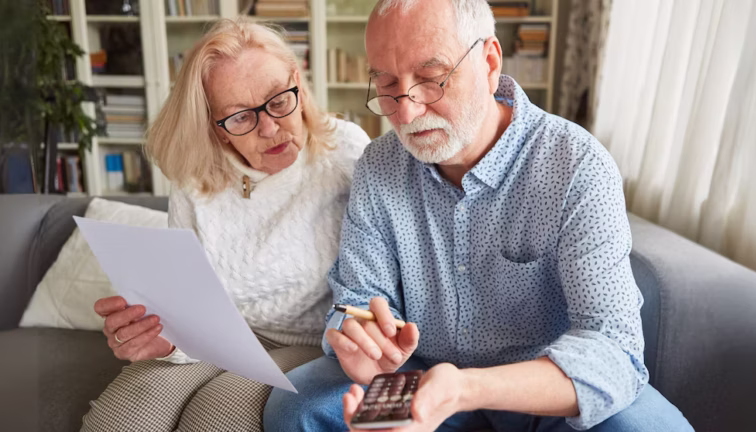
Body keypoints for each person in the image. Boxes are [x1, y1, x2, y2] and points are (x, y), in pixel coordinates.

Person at [263, 1, 694, 431]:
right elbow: (355, 299)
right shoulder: (379, 166)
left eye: (432, 80)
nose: (407, 113)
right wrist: (356, 340)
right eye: (388, 85)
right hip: (420, 381)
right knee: (294, 408)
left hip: (543, 389)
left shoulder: (577, 165)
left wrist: (468, 387)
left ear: (489, 62)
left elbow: (613, 349)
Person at [83, 19, 369, 429]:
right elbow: (184, 296)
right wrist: (164, 339)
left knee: (214, 418)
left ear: (297, 82)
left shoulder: (346, 151)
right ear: (214, 127)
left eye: (278, 100)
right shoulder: (194, 173)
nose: (270, 128)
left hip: (305, 343)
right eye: (239, 118)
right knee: (118, 422)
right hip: (208, 338)